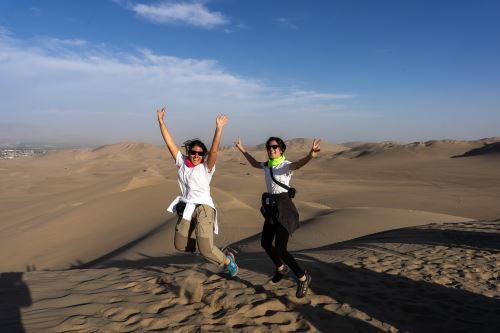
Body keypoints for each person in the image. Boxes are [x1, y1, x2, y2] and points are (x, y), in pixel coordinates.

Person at [234, 136, 320, 298]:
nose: (271, 150)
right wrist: (242, 149)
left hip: (285, 209)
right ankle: (281, 268)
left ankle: (302, 277)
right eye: (269, 147)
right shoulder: (267, 165)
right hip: (272, 208)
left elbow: (298, 164)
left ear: (281, 150)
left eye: (274, 147)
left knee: (281, 248)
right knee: (265, 242)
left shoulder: (285, 166)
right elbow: (253, 163)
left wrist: (310, 156)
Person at [157, 106, 238, 277]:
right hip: (187, 207)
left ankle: (227, 262)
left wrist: (219, 128)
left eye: (200, 153)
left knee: (206, 248)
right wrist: (161, 121)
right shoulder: (182, 163)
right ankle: (206, 248)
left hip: (204, 208)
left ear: (203, 155)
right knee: (179, 245)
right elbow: (169, 143)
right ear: (189, 152)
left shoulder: (206, 168)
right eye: (193, 152)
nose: (196, 155)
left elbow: (215, 150)